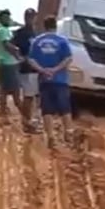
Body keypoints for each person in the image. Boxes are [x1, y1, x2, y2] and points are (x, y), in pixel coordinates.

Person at [28, 15, 74, 145]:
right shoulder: (62, 41)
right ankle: (68, 132)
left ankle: (51, 136)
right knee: (65, 107)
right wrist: (55, 69)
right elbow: (68, 58)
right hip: (61, 80)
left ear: (44, 26)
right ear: (55, 25)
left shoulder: (37, 41)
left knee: (46, 109)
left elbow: (31, 59)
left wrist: (43, 70)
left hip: (44, 80)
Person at [12, 8, 40, 133]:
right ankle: (26, 122)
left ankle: (27, 120)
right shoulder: (21, 32)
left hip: (34, 68)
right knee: (28, 96)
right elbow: (9, 44)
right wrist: (19, 56)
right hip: (26, 68)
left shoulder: (35, 33)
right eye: (28, 16)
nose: (30, 19)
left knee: (31, 96)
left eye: (32, 16)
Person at [0, 9, 22, 115]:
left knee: (4, 90)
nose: (7, 19)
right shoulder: (3, 31)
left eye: (8, 17)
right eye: (5, 17)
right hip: (9, 64)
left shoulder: (0, 31)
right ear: (0, 19)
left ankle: (3, 112)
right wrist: (17, 53)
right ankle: (25, 117)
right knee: (15, 93)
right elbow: (7, 45)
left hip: (3, 63)